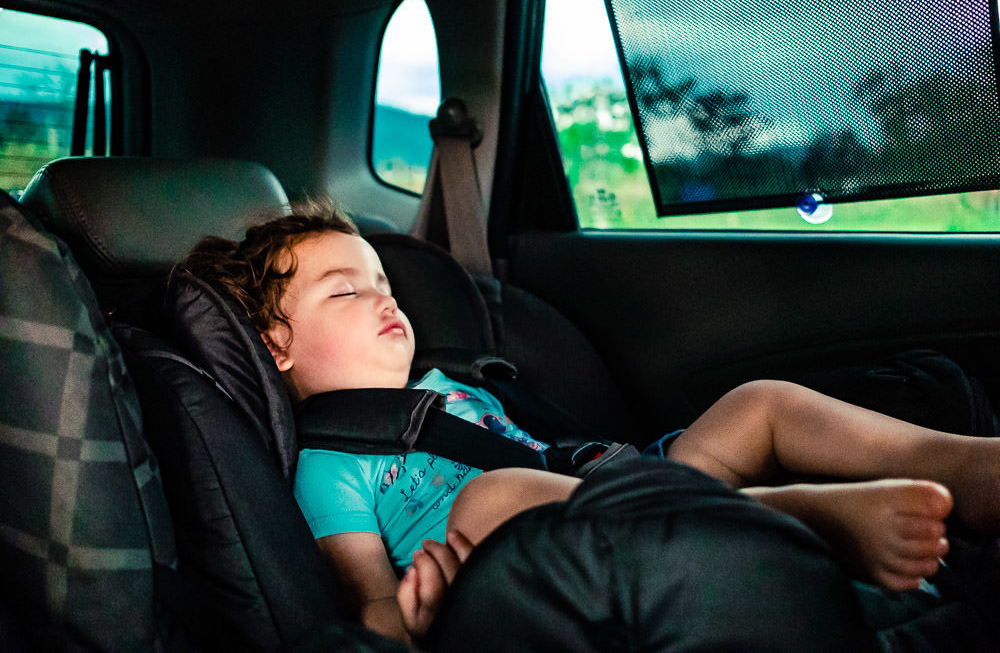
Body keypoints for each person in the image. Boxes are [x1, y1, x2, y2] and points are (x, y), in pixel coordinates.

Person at [179, 198, 1000, 647]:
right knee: (493, 495)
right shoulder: (327, 465)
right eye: (345, 291)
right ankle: (803, 516)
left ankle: (971, 465)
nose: (385, 296)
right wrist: (414, 618)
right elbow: (365, 606)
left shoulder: (450, 382)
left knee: (760, 403)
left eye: (383, 279)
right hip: (545, 563)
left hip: (623, 492)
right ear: (275, 346)